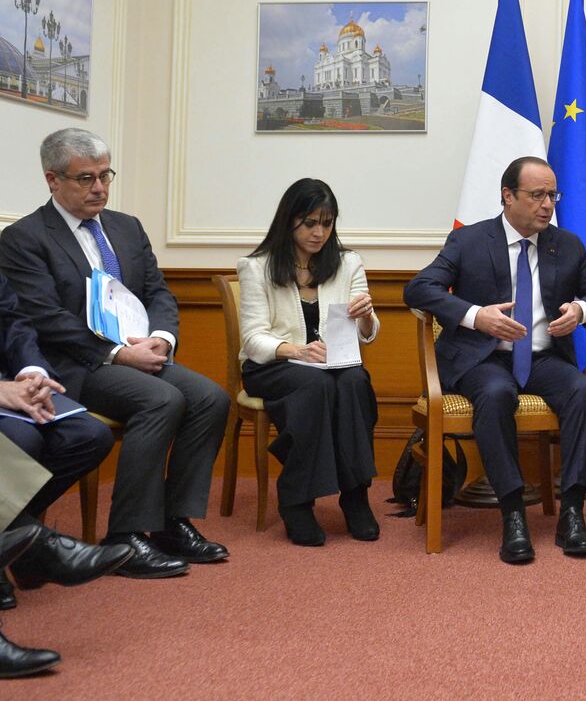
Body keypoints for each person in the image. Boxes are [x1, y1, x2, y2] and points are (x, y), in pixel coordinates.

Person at [0, 128, 231, 578]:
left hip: (141, 352)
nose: (100, 187)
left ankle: (171, 523)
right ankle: (126, 536)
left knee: (210, 398)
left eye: (106, 175)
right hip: (77, 364)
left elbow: (157, 292)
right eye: (85, 179)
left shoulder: (126, 227)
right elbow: (45, 318)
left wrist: (163, 337)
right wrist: (116, 353)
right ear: (52, 179)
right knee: (161, 400)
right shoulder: (25, 238)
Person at [403, 157, 586, 564]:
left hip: (542, 358)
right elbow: (418, 289)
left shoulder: (565, 245)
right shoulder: (469, 241)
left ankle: (572, 511)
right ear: (508, 195)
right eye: (537, 195)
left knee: (583, 393)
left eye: (552, 195)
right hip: (484, 359)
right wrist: (475, 316)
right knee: (497, 393)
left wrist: (580, 310)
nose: (547, 205)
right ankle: (513, 512)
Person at [237, 179, 381, 546]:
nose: (319, 233)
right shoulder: (257, 267)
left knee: (354, 383)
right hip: (272, 366)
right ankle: (298, 500)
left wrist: (365, 316)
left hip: (334, 364)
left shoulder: (348, 263)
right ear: (289, 221)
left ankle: (355, 494)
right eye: (310, 223)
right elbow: (253, 339)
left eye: (327, 223)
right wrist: (295, 351)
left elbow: (368, 332)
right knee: (314, 387)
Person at [0, 271, 131, 625]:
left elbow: (13, 321)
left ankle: (17, 544)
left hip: (10, 381)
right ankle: (33, 549)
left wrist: (31, 372)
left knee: (87, 435)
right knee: (20, 440)